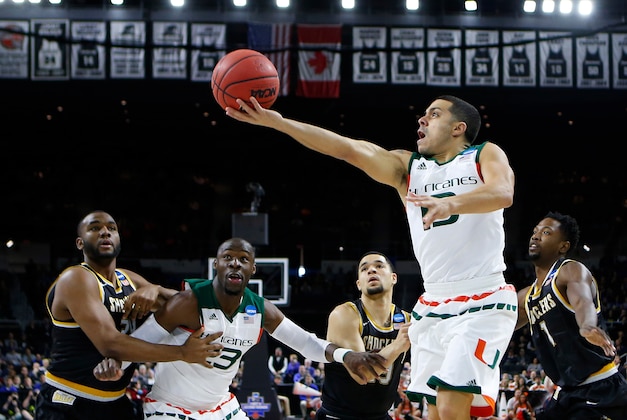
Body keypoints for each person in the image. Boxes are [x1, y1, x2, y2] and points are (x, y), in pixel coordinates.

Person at [226, 94, 518, 419]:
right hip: (434, 304)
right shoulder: (408, 168)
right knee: (434, 412)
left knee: (451, 407)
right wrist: (278, 123)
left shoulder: (483, 154)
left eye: (433, 115)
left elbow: (503, 193)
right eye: (423, 114)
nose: (422, 119)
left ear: (458, 128)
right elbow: (346, 148)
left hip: (483, 297)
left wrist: (450, 203)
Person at [94, 237, 388, 420]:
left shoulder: (261, 309)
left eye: (243, 259)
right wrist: (117, 363)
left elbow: (306, 342)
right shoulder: (188, 303)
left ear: (252, 270)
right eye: (228, 258)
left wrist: (345, 356)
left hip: (221, 407)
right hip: (170, 407)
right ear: (216, 266)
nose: (235, 263)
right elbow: (142, 341)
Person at [35, 210, 221, 420]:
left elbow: (187, 307)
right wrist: (182, 352)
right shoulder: (76, 278)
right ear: (80, 243)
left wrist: (156, 289)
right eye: (95, 228)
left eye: (111, 228)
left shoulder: (127, 279)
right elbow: (111, 344)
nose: (105, 232)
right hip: (70, 402)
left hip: (115, 402)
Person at [515, 211, 627, 420]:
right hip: (566, 394)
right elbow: (500, 328)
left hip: (600, 389)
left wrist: (587, 326)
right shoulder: (526, 297)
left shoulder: (570, 271)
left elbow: (583, 301)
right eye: (535, 231)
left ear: (563, 246)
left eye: (546, 232)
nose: (536, 236)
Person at [314, 251, 411, 420]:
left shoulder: (406, 319)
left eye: (379, 266)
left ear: (393, 278)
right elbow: (362, 374)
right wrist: (397, 345)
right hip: (339, 416)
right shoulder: (344, 314)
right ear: (359, 284)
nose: (371, 270)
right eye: (364, 268)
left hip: (380, 416)